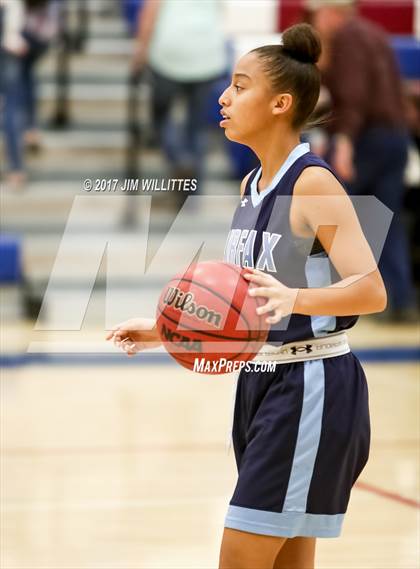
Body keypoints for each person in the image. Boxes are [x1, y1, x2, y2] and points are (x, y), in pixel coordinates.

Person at [107, 23, 387, 569]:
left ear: (280, 103)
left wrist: (297, 300)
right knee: (285, 562)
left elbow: (370, 289)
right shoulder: (252, 185)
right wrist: (168, 329)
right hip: (263, 383)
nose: (224, 96)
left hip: (312, 386)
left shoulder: (312, 183)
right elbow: (242, 302)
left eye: (239, 86)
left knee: (241, 554)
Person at [308, 0, 417, 322]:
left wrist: (344, 143)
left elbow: (353, 96)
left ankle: (329, 301)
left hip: (366, 139)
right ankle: (400, 299)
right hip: (394, 136)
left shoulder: (347, 38)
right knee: (388, 221)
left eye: (319, 14)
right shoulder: (376, 33)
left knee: (335, 219)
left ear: (332, 13)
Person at [132, 0, 227, 199]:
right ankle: (194, 189)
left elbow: (150, 13)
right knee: (198, 125)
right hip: (207, 52)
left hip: (170, 51)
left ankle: (179, 159)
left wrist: (140, 52)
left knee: (160, 117)